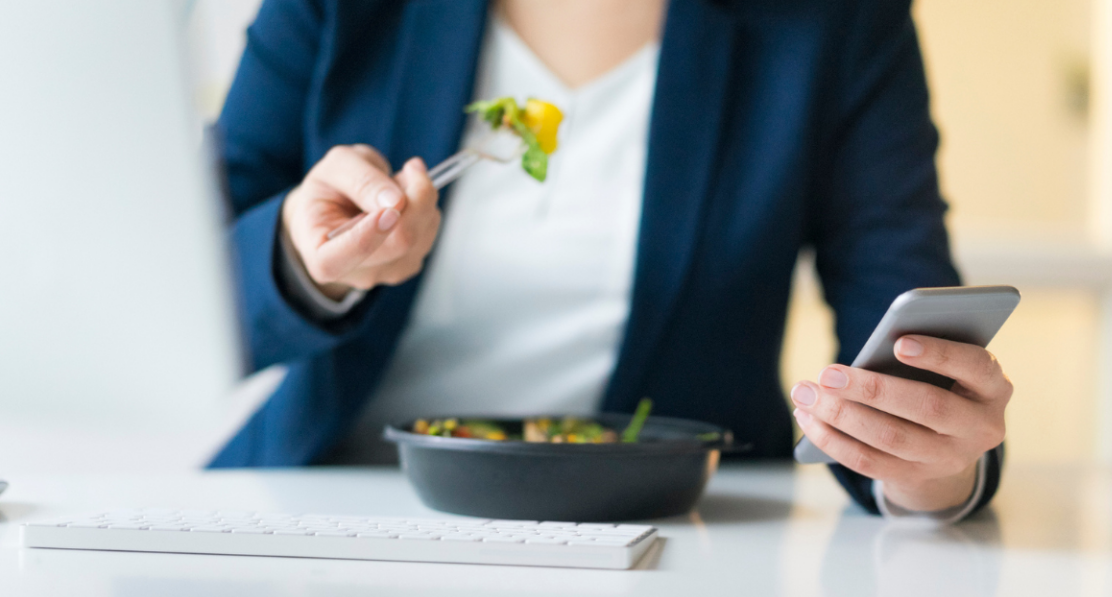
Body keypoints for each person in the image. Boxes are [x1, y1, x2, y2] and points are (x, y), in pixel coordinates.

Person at [212, 0, 1012, 523]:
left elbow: (907, 328)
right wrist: (303, 263)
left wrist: (924, 470)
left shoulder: (839, 22)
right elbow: (177, 288)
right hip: (333, 517)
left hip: (682, 538)